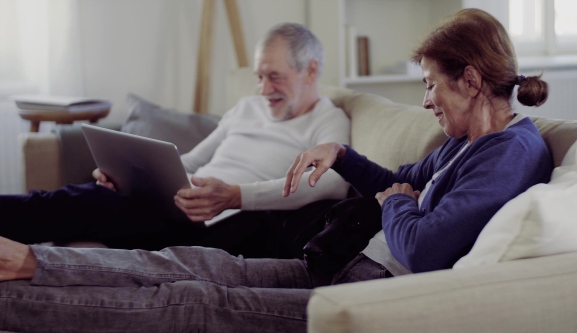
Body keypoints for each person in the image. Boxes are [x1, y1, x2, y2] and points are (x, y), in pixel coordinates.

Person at [0, 9, 553, 333]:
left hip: (372, 294)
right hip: (342, 264)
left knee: (195, 300)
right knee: (186, 263)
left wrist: (397, 203)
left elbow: (427, 247)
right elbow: (397, 176)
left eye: (431, 83)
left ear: (474, 81)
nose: (427, 100)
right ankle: (29, 259)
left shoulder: (507, 154)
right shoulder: (465, 142)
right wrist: (340, 153)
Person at [0, 22, 350, 254]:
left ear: (311, 69)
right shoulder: (247, 107)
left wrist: (234, 196)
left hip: (233, 224)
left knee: (87, 204)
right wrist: (130, 176)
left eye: (274, 77)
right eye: (259, 76)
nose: (263, 89)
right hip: (182, 207)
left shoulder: (327, 120)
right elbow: (193, 161)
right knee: (85, 196)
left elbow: (332, 183)